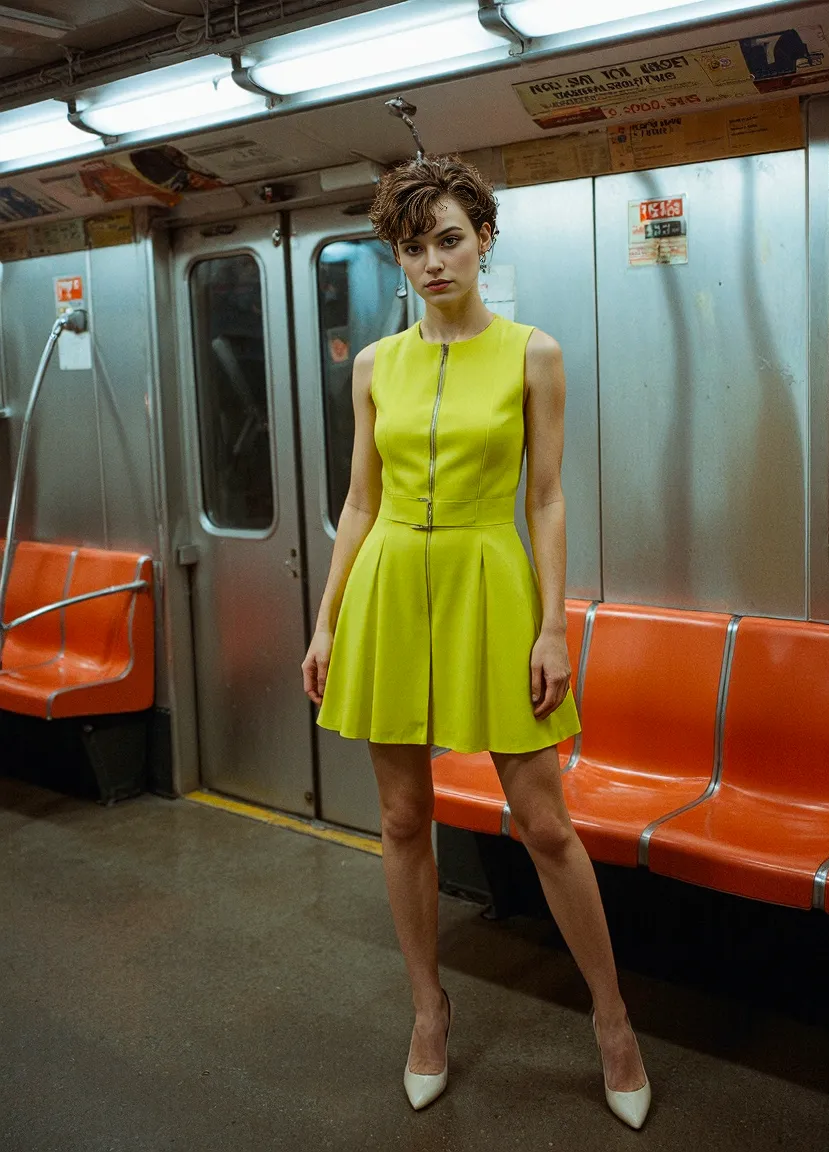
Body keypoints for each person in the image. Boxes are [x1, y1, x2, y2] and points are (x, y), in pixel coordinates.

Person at [301, 155, 651, 1129]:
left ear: (483, 239)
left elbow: (545, 498)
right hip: (387, 585)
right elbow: (360, 499)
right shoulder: (376, 366)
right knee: (402, 816)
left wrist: (553, 624)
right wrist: (326, 618)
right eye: (413, 247)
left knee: (544, 822)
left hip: (489, 583)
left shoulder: (532, 354)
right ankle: (428, 1011)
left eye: (449, 239)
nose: (432, 263)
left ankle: (613, 1022)